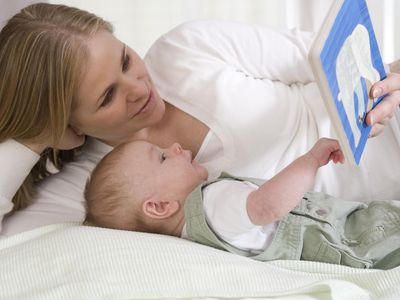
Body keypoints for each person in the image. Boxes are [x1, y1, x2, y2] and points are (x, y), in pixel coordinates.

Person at [1, 3, 400, 237]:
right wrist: (33, 138)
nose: (139, 88)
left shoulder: (186, 49)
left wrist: (392, 79)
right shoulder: (97, 187)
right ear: (70, 127)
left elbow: (350, 55)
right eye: (107, 97)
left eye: (125, 59)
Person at [85, 138, 400, 269]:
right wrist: (312, 159)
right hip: (355, 241)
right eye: (164, 157)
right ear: (159, 207)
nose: (176, 146)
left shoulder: (196, 240)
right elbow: (266, 208)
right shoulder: (210, 201)